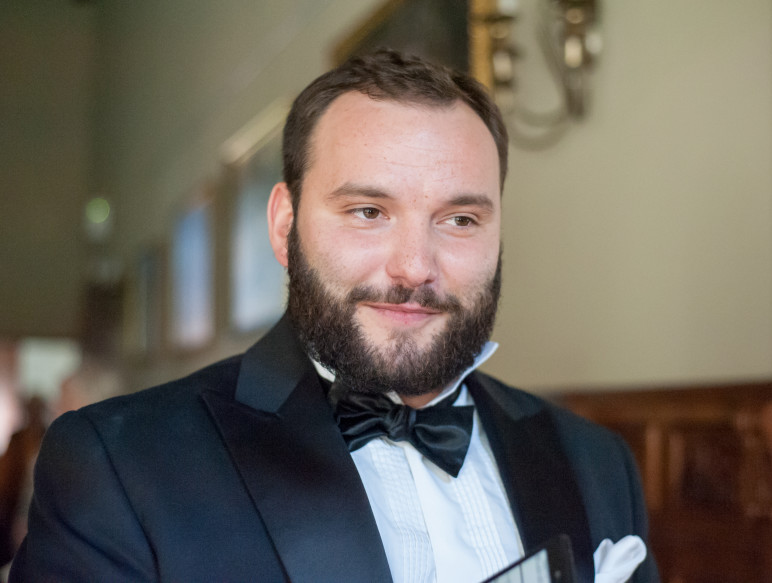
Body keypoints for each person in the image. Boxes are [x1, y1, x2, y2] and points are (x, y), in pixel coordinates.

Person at [10, 50, 658, 583]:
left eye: (460, 219)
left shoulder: (598, 463)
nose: (415, 266)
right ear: (284, 226)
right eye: (368, 212)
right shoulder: (119, 466)